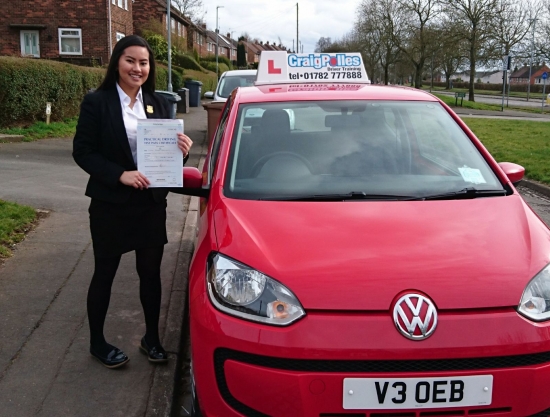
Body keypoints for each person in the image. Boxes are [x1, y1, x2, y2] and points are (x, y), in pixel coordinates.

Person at [73, 35, 193, 369]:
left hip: (149, 204)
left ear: (149, 67)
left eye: (143, 62)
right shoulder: (97, 102)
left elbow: (164, 164)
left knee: (150, 274)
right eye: (130, 60)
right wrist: (119, 174)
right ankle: (98, 342)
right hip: (111, 203)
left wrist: (179, 152)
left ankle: (151, 339)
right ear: (117, 62)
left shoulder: (158, 103)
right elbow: (82, 151)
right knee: (105, 272)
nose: (137, 68)